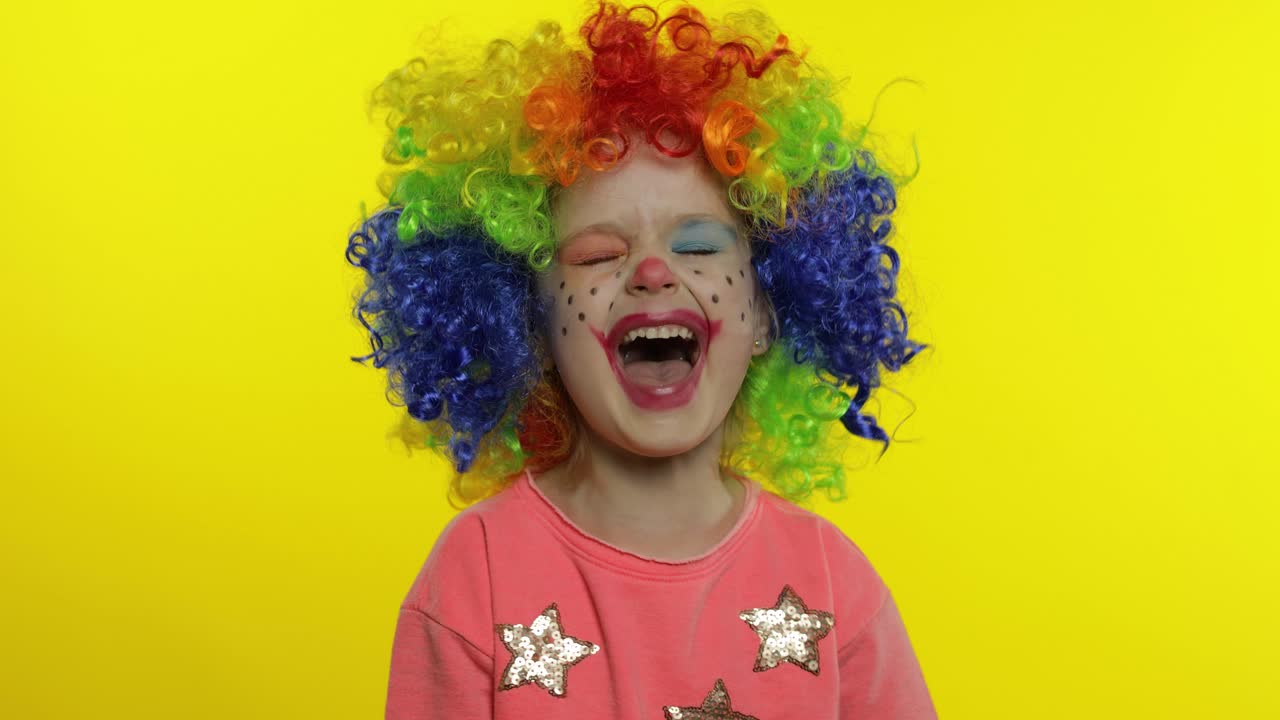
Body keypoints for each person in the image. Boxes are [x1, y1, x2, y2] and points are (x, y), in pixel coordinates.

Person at [346, 2, 936, 717]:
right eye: (599, 254)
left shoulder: (832, 585)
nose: (653, 272)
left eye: (696, 246)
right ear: (526, 325)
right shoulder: (478, 576)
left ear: (767, 310)